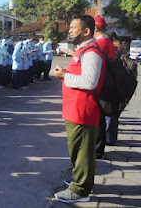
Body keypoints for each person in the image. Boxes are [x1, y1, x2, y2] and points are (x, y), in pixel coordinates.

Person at [54, 15, 106, 203]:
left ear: (86, 31)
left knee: (83, 152)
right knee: (77, 151)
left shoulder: (91, 52)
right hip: (76, 110)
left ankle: (81, 190)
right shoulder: (83, 49)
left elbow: (90, 82)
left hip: (84, 111)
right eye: (69, 26)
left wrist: (65, 76)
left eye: (74, 27)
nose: (69, 30)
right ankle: (80, 180)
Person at [93, 16, 116, 158]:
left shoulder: (101, 43)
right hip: (107, 81)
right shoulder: (107, 40)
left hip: (102, 83)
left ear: (95, 28)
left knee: (98, 118)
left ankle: (97, 150)